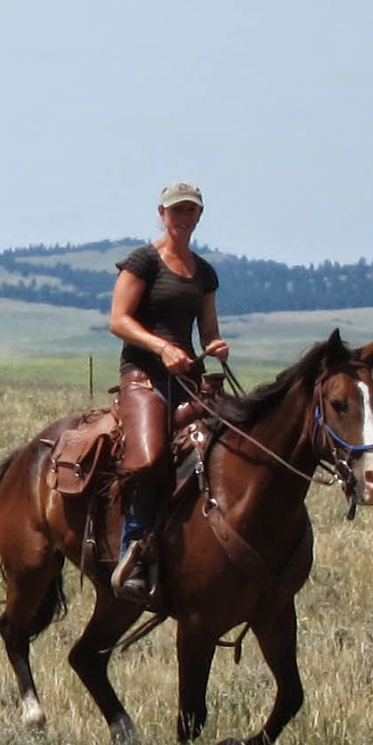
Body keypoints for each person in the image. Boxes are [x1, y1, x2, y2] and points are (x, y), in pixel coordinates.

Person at [107, 181, 229, 603]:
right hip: (143, 374)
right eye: (176, 209)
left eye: (190, 210)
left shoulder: (205, 272)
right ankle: (133, 551)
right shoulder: (144, 261)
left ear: (199, 215)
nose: (183, 216)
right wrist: (161, 347)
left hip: (188, 377)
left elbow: (208, 329)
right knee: (151, 454)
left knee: (227, 442)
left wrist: (215, 345)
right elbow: (119, 320)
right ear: (161, 213)